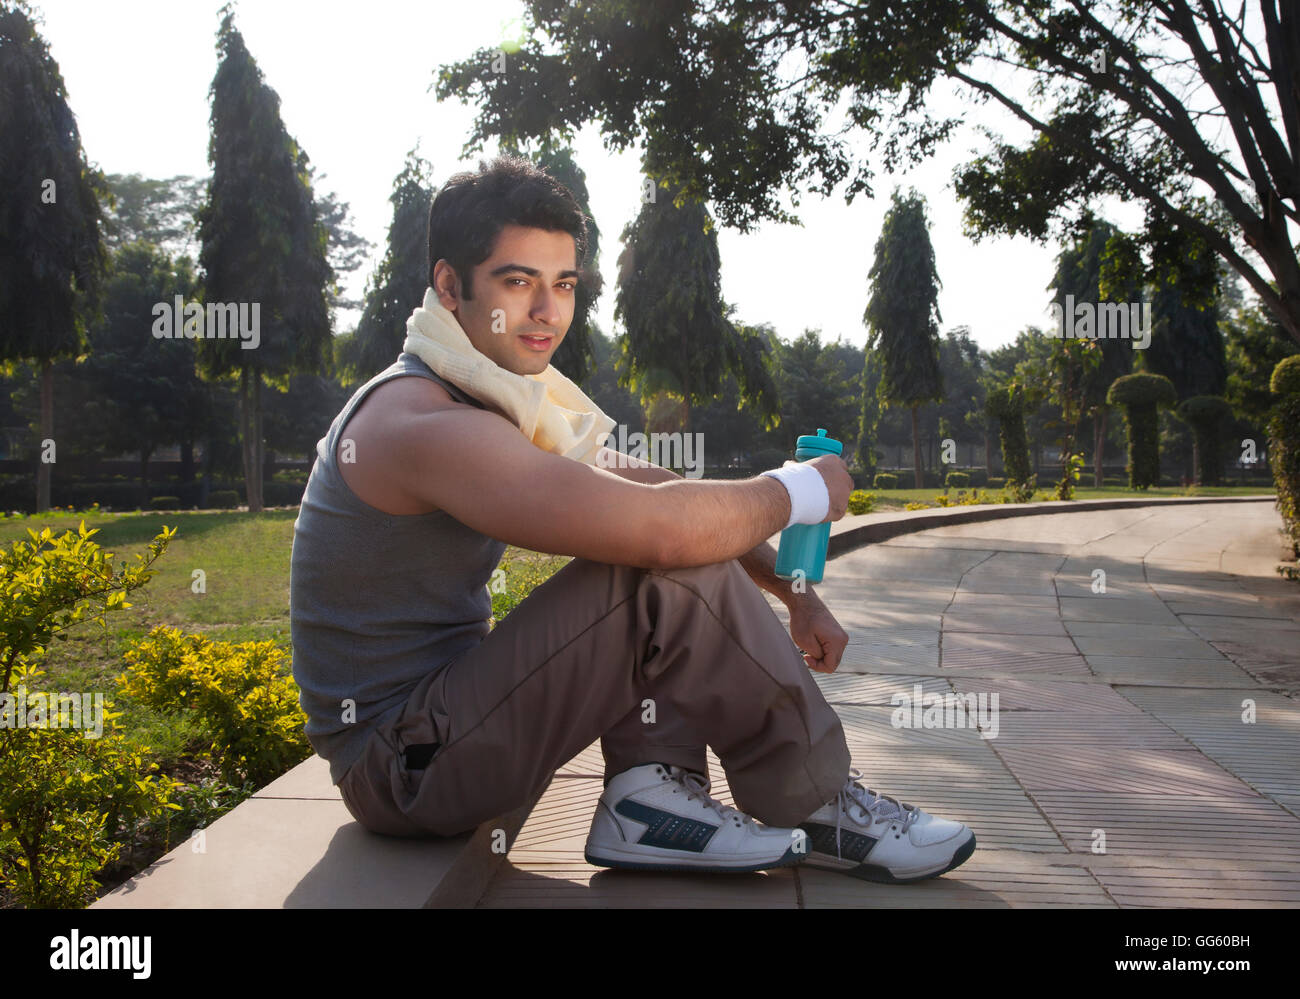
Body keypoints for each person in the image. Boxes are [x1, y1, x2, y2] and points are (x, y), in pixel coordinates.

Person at [289, 155, 976, 884]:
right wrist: (797, 489)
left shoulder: (486, 393)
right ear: (451, 285)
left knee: (668, 539)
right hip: (402, 763)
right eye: (518, 282)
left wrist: (790, 585)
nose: (548, 312)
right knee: (650, 562)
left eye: (564, 285)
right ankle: (816, 799)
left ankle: (650, 794)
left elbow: (649, 483)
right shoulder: (419, 421)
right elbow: (659, 529)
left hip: (445, 725)